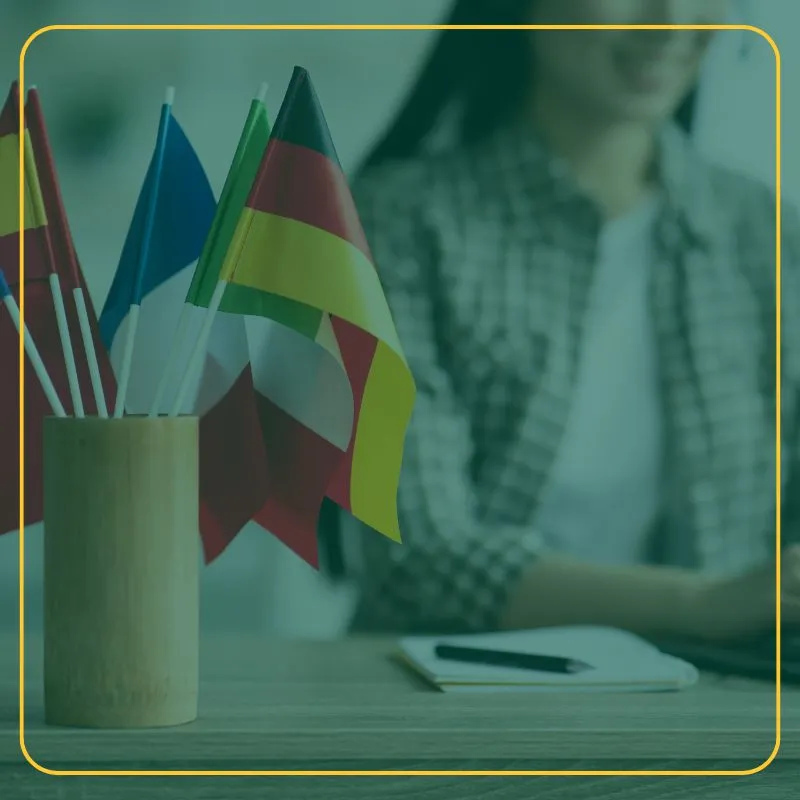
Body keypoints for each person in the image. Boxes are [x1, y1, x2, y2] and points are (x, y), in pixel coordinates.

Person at [346, 0, 800, 640]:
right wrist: (706, 604)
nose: (672, 24)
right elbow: (417, 556)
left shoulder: (765, 234)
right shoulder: (401, 221)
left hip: (715, 692)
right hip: (446, 684)